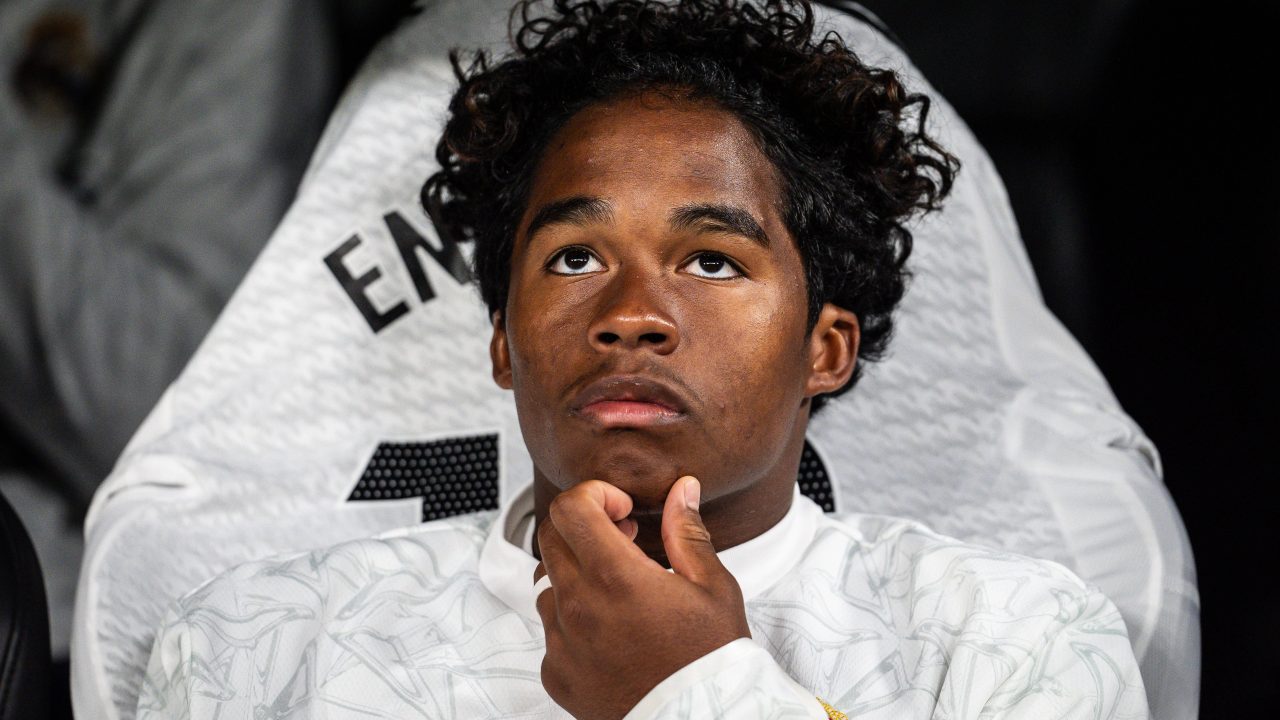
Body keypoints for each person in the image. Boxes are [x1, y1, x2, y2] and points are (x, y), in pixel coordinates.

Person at [135, 1, 1149, 718]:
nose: (631, 316)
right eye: (575, 258)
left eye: (711, 260)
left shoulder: (1015, 642)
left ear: (825, 348)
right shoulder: (253, 645)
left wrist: (694, 690)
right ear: (503, 341)